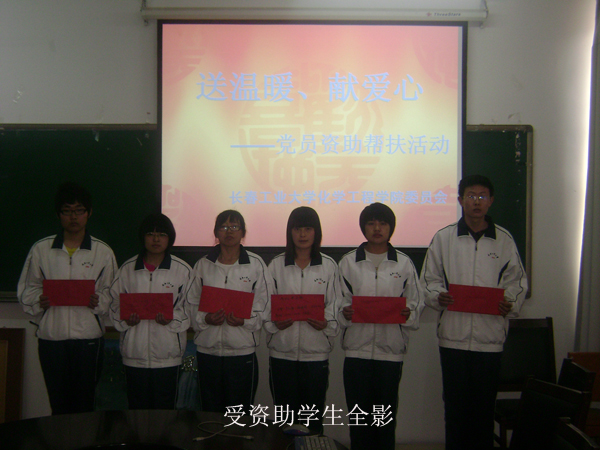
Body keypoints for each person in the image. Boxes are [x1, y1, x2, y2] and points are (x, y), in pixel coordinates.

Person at [420, 174, 528, 450]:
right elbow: (429, 280)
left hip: (489, 340)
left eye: (482, 196)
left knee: (483, 411)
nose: (476, 201)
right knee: (455, 410)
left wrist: (510, 302)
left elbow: (517, 282)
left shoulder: (504, 240)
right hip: (453, 338)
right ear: (460, 200)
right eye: (470, 196)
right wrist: (438, 296)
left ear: (491, 201)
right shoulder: (444, 238)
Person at [17, 182, 117, 415]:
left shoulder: (103, 252)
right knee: (58, 405)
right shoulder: (41, 250)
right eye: (67, 211)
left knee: (84, 405)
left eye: (79, 210)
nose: (73, 217)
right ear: (58, 214)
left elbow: (112, 293)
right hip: (52, 338)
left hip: (88, 339)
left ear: (89, 213)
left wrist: (99, 302)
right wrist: (39, 299)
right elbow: (26, 290)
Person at [338, 202, 424, 450]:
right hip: (356, 351)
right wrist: (344, 312)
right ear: (363, 227)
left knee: (384, 418)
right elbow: (337, 301)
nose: (377, 228)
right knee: (359, 419)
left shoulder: (404, 263)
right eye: (371, 223)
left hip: (390, 352)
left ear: (391, 228)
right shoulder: (348, 263)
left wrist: (409, 313)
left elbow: (416, 302)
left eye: (383, 223)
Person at [184, 210, 272, 413]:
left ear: (243, 232)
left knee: (239, 416)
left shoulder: (256, 265)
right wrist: (205, 318)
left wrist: (245, 320)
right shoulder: (203, 265)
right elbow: (190, 303)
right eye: (223, 227)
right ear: (216, 232)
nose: (229, 231)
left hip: (242, 352)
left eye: (234, 227)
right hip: (208, 351)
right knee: (210, 413)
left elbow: (265, 305)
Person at [264, 207, 341, 433]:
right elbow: (265, 304)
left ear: (317, 232)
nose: (303, 234)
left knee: (312, 421)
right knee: (285, 423)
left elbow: (335, 304)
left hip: (315, 355)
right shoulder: (276, 265)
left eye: (308, 229)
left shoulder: (329, 266)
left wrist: (326, 323)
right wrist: (274, 323)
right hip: (282, 354)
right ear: (290, 232)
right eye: (297, 229)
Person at [109, 213, 191, 410]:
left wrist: (171, 319)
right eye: (150, 234)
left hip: (168, 356)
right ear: (142, 237)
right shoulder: (127, 270)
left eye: (162, 234)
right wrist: (126, 319)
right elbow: (113, 304)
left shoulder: (183, 270)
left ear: (170, 238)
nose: (156, 239)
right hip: (134, 355)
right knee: (137, 412)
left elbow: (190, 308)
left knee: (165, 413)